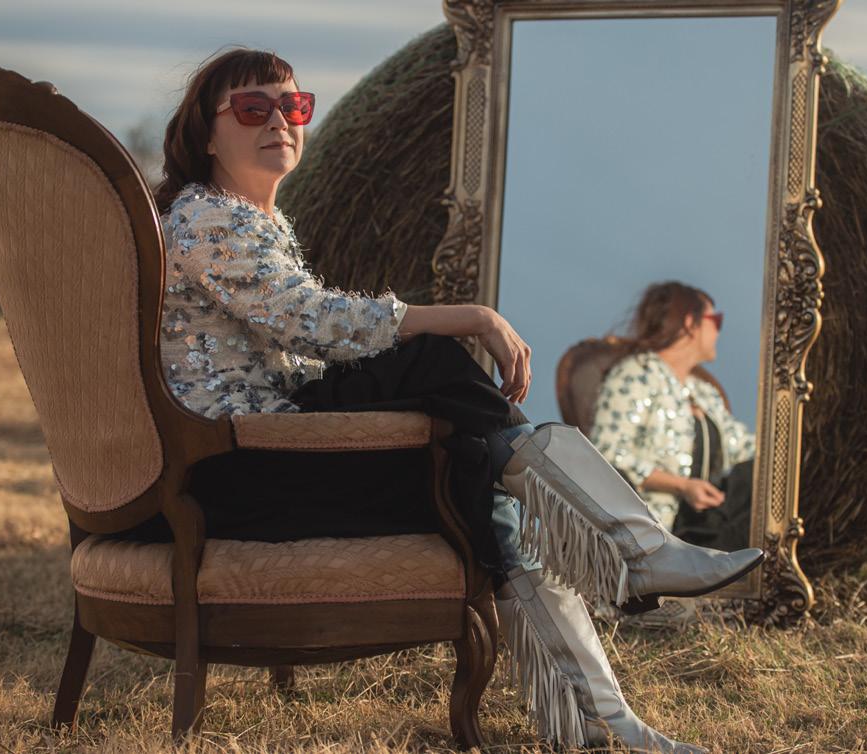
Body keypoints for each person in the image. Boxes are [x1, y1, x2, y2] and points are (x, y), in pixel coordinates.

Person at [150, 47, 764, 753]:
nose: (280, 121)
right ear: (206, 133)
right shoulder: (207, 219)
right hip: (238, 470)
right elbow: (312, 324)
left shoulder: (243, 218)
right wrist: (468, 316)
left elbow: (308, 340)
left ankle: (605, 702)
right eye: (253, 108)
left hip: (269, 449)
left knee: (472, 461)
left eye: (294, 106)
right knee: (437, 364)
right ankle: (629, 589)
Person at [589, 282, 758, 558]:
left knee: (756, 475)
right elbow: (605, 453)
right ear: (691, 323)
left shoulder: (703, 392)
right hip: (658, 529)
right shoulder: (636, 374)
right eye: (715, 320)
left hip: (708, 522)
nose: (718, 331)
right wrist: (682, 486)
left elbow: (744, 448)